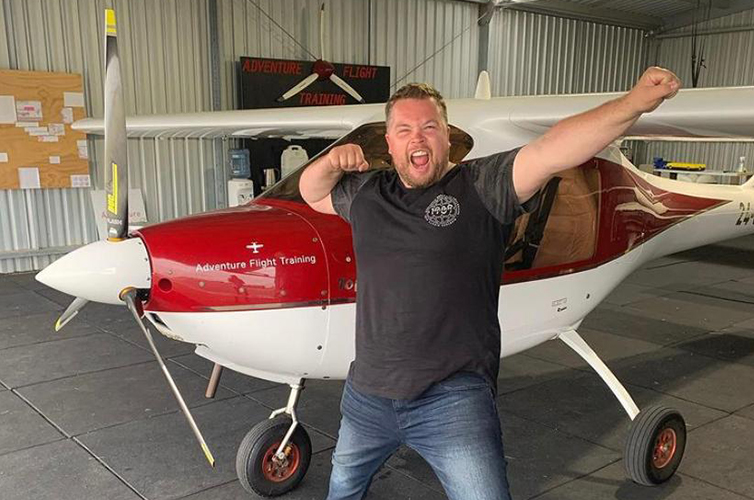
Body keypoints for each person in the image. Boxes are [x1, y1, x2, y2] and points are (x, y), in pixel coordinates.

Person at [299, 67, 680, 500]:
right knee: (341, 492)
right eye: (404, 129)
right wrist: (330, 161)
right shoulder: (367, 193)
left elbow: (553, 150)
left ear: (447, 136)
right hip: (366, 396)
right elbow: (313, 192)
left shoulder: (481, 185)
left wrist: (634, 103)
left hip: (452, 400)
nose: (417, 138)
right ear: (389, 143)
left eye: (429, 127)